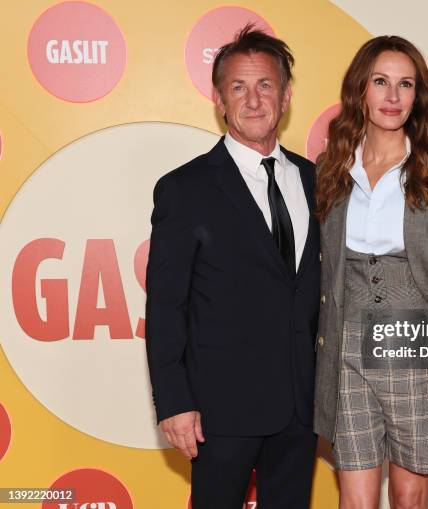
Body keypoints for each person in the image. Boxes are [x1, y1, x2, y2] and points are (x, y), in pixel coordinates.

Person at [145, 26, 320, 509]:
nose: (254, 100)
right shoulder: (186, 189)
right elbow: (166, 306)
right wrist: (175, 402)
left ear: (285, 96)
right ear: (219, 99)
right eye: (238, 87)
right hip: (219, 411)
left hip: (302, 410)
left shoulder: (318, 181)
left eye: (265, 85)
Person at [313, 35, 428, 508]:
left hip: (417, 346)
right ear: (360, 92)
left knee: (409, 499)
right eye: (381, 82)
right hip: (347, 349)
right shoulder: (329, 169)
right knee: (355, 499)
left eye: (405, 84)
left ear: (418, 94)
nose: (393, 97)